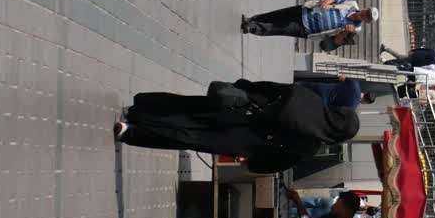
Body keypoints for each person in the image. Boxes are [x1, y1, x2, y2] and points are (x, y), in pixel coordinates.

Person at [114, 79, 360, 173]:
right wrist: (251, 162)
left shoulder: (310, 100)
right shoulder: (310, 146)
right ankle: (130, 132)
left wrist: (243, 86)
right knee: (184, 136)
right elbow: (275, 163)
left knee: (187, 109)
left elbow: (271, 87)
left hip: (237, 109)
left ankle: (138, 110)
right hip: (240, 140)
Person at [241, 0, 379, 51]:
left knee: (279, 28)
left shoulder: (355, 29)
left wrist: (345, 32)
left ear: (366, 21)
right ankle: (252, 20)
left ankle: (252, 28)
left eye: (367, 17)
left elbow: (333, 43)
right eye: (366, 11)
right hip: (307, 10)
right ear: (365, 8)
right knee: (276, 14)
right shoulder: (352, 4)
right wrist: (328, 1)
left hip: (307, 28)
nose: (364, 14)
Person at [297, 76, 375, 109]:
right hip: (322, 102)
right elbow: (336, 109)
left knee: (302, 85)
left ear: (366, 92)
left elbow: (341, 77)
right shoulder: (352, 107)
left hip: (323, 88)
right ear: (366, 102)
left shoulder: (355, 83)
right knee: (301, 99)